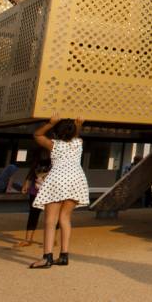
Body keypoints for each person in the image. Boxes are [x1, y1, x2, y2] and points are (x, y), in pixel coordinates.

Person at [29, 113, 89, 269]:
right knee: (65, 218)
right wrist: (78, 125)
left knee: (50, 220)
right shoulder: (78, 143)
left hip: (58, 179)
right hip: (76, 180)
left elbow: (37, 134)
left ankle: (47, 257)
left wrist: (50, 122)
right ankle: (64, 255)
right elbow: (74, 136)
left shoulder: (54, 145)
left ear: (56, 132)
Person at [16, 157, 52, 248]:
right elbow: (32, 171)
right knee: (33, 214)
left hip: (52, 191)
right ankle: (28, 239)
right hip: (35, 190)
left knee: (52, 216)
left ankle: (52, 240)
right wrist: (26, 183)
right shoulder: (38, 156)